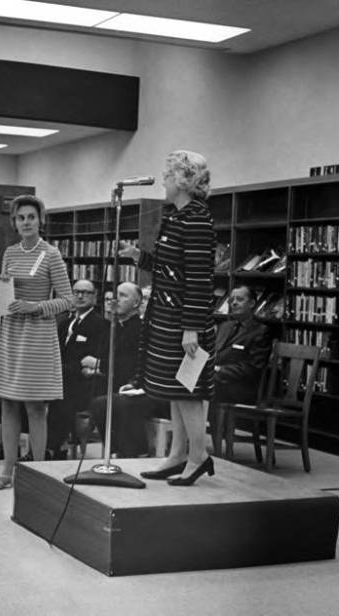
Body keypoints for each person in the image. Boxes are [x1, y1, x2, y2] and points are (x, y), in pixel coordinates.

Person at [120, 150, 216, 486]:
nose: (163, 179)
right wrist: (140, 257)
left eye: (168, 173)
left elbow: (200, 278)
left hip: (185, 323)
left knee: (188, 391)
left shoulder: (197, 219)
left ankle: (199, 456)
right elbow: (169, 268)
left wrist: (191, 329)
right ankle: (177, 455)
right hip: (165, 318)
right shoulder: (175, 216)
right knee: (174, 390)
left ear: (182, 179)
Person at [0, 195, 73, 490]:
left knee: (35, 406)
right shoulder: (10, 252)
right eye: (21, 218)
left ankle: (37, 472)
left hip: (36, 336)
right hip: (9, 332)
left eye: (31, 217)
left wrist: (36, 306)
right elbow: (6, 290)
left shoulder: (51, 254)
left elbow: (68, 299)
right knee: (8, 403)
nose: (26, 222)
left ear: (41, 219)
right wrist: (3, 288)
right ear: (14, 222)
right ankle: (7, 471)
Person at [84, 281, 169, 457]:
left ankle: (130, 452)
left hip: (146, 387)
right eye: (116, 295)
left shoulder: (139, 329)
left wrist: (98, 366)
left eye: (123, 296)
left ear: (136, 303)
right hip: (123, 382)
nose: (116, 300)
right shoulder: (114, 327)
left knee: (104, 402)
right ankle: (119, 450)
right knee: (83, 393)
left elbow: (127, 366)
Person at [46, 279, 108, 460]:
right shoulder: (64, 323)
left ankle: (53, 447)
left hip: (85, 382)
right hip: (61, 376)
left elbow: (92, 359)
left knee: (63, 391)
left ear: (95, 298)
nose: (80, 296)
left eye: (86, 292)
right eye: (76, 292)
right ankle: (24, 445)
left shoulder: (100, 324)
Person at [210, 284, 273, 456]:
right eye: (231, 300)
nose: (234, 303)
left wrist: (219, 370)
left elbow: (253, 368)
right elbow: (214, 353)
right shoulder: (225, 326)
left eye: (239, 299)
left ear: (252, 303)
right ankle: (184, 438)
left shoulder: (261, 331)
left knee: (207, 387)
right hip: (219, 381)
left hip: (242, 387)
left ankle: (207, 446)